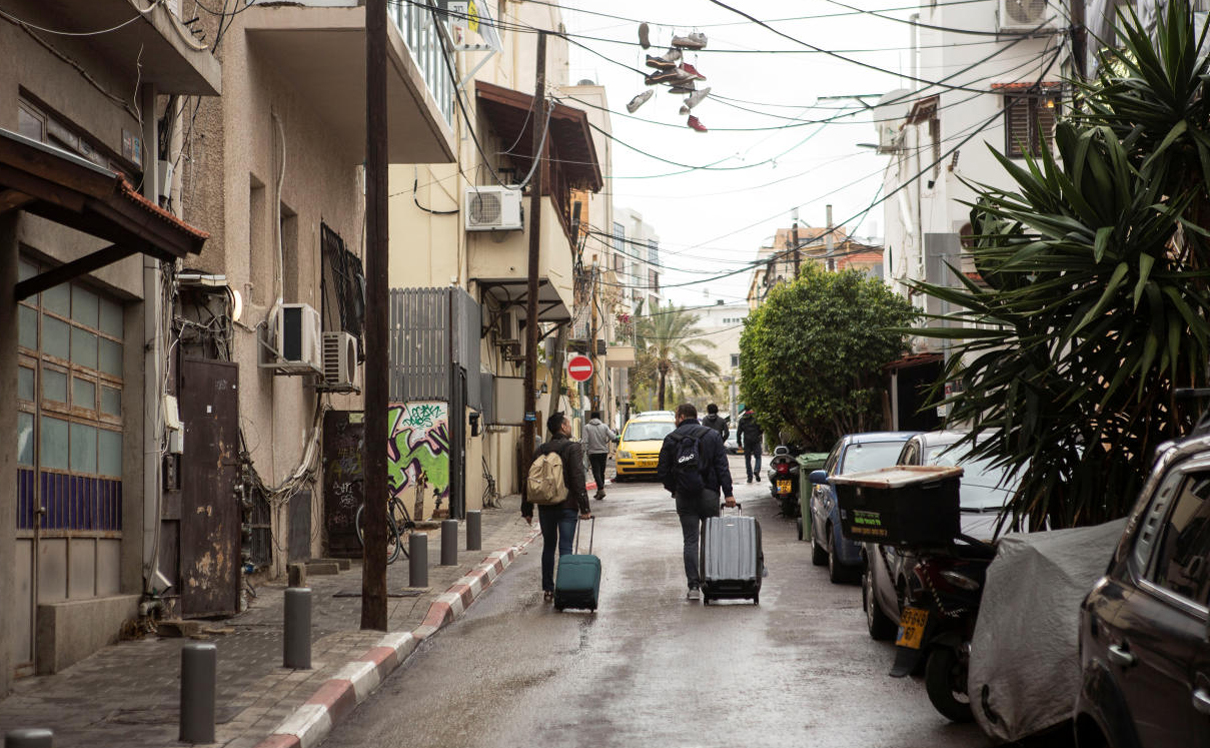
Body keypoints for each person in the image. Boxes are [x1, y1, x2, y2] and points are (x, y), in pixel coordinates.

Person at [657, 403, 735, 601]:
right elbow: (722, 467)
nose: (675, 420)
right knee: (711, 539)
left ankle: (693, 586)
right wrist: (728, 493)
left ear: (681, 416)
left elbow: (663, 471)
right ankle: (712, 581)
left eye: (676, 416)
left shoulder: (671, 439)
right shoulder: (712, 436)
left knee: (690, 540)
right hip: (709, 494)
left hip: (684, 496)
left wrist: (674, 489)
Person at [522, 412, 592, 602]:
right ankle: (564, 588)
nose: (569, 427)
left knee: (548, 546)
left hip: (545, 505)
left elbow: (529, 478)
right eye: (568, 424)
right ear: (563, 427)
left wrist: (527, 509)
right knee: (566, 547)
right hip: (567, 505)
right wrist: (585, 507)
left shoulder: (541, 449)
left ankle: (548, 589)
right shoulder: (572, 448)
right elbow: (578, 478)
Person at [583, 410, 618, 500]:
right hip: (603, 452)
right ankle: (599, 490)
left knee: (596, 472)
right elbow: (613, 437)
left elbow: (585, 441)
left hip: (593, 453)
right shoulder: (604, 426)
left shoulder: (587, 427)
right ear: (599, 418)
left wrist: (586, 451)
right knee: (601, 472)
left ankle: (601, 489)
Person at [737, 407, 764, 484]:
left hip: (747, 441)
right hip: (756, 440)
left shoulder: (742, 419)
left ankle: (749, 477)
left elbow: (739, 432)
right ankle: (756, 470)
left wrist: (739, 443)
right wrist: (759, 435)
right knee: (758, 457)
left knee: (747, 459)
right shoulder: (756, 418)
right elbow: (761, 429)